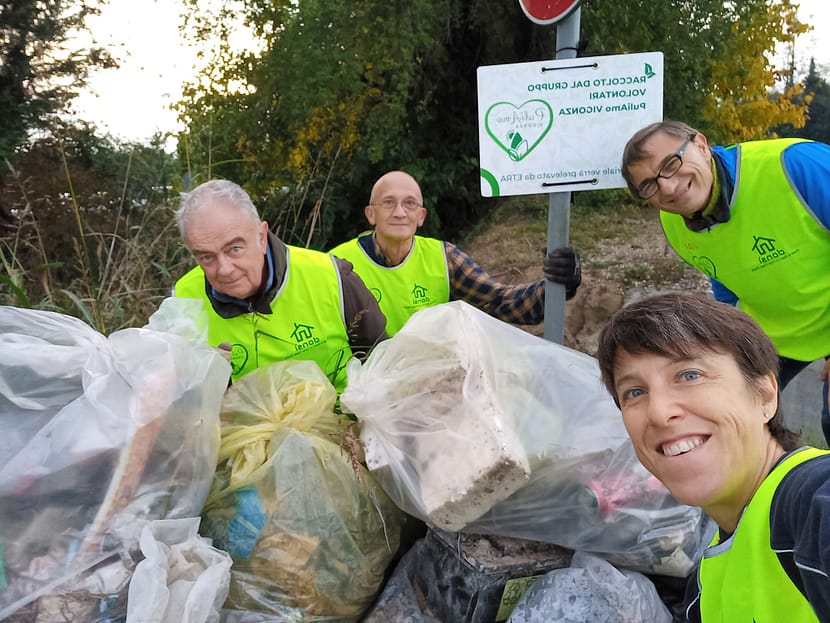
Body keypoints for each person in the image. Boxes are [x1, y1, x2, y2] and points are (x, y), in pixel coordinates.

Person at [596, 292, 830, 622]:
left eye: (690, 375)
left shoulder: (815, 502)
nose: (659, 413)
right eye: (634, 392)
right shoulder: (704, 589)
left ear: (764, 396)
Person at [621, 120, 830, 445]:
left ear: (701, 145)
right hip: (775, 333)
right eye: (649, 185)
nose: (669, 187)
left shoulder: (794, 165)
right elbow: (727, 281)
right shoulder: (674, 223)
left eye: (672, 164)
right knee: (738, 423)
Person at [173, 179, 387, 391]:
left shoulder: (331, 276)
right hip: (242, 425)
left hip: (340, 421)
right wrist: (204, 378)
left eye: (235, 249)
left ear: (262, 237)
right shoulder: (184, 301)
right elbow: (177, 399)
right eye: (207, 257)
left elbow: (384, 364)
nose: (224, 269)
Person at [329, 170, 581, 335]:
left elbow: (500, 301)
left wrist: (555, 285)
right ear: (370, 214)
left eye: (409, 203)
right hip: (364, 396)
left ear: (421, 216)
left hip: (430, 386)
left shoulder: (443, 258)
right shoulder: (337, 265)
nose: (399, 212)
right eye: (388, 202)